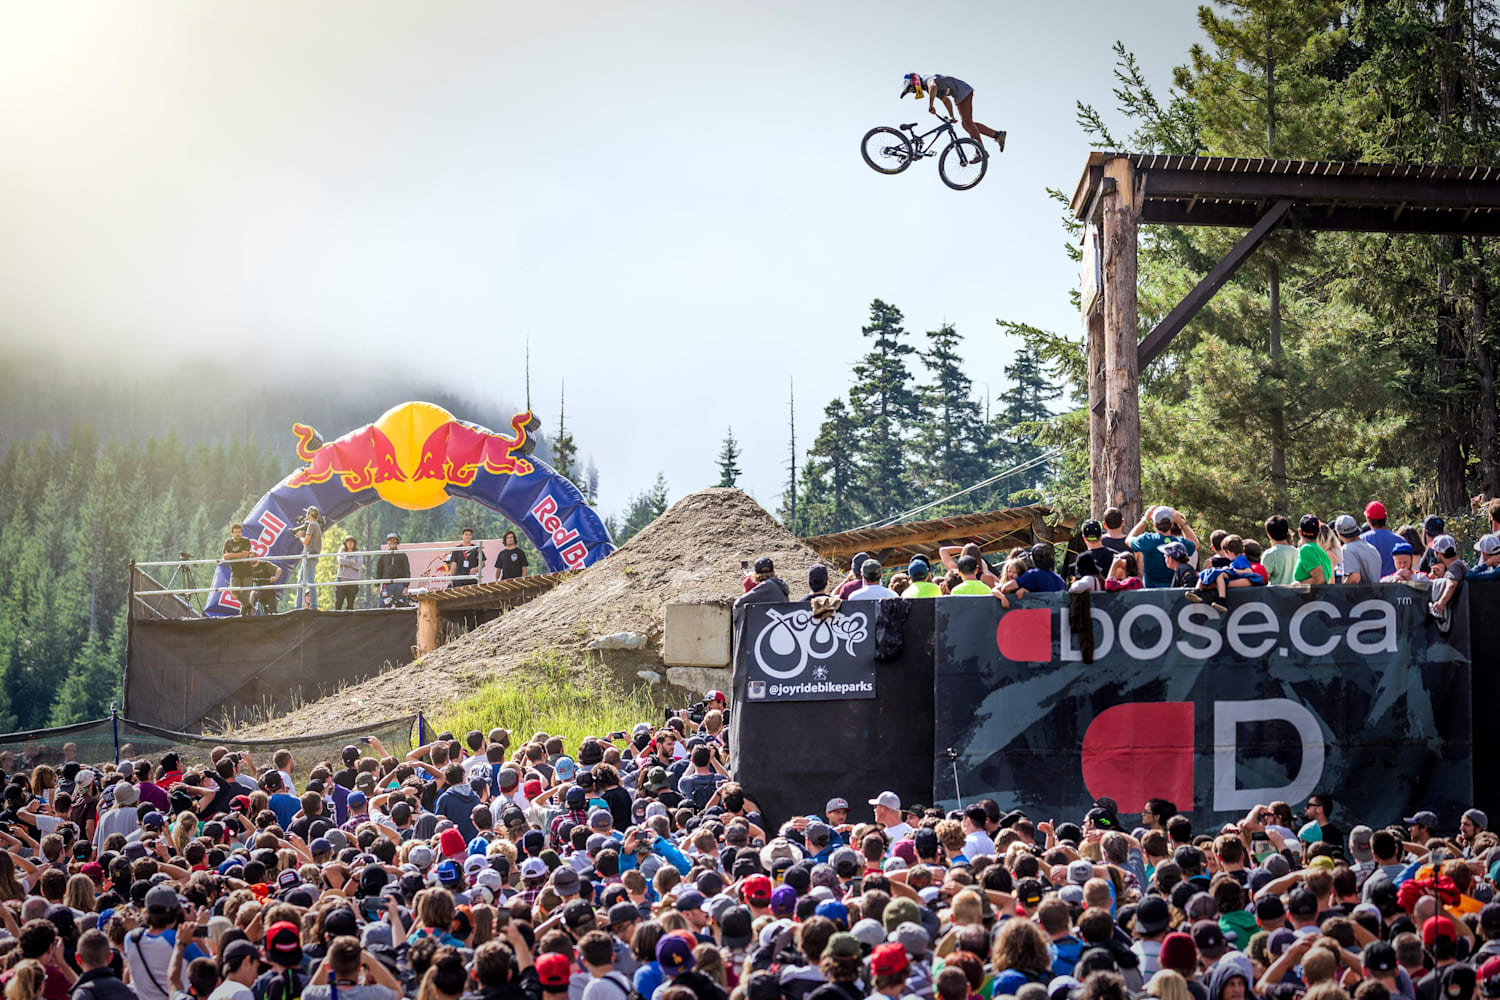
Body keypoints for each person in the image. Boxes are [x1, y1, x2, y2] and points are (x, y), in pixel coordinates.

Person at [900, 73, 1005, 153]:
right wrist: (951, 116)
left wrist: (931, 105)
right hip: (960, 94)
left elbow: (933, 87)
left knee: (967, 123)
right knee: (967, 123)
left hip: (962, 92)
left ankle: (980, 151)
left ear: (915, 82)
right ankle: (997, 135)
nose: (912, 92)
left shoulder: (927, 79)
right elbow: (946, 100)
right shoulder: (928, 90)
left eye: (910, 89)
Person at [1128, 507, 1200, 588]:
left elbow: (1128, 539)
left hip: (1150, 594)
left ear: (1154, 525)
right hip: (1174, 595)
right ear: (1172, 525)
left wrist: (1144, 520)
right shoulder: (1179, 543)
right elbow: (1195, 544)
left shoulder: (1147, 540)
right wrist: (1181, 522)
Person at [1426, 534, 1467, 632]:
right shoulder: (1461, 564)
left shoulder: (1455, 567)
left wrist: (1440, 603)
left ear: (1439, 554)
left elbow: (1451, 584)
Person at [1334, 515, 1382, 584]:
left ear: (1339, 534)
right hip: (1376, 594)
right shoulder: (1372, 548)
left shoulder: (1347, 549)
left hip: (1360, 594)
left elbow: (1354, 578)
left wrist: (1340, 590)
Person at [1361, 502, 1403, 578]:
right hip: (1396, 586)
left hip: (1370, 587)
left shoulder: (1362, 541)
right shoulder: (1400, 541)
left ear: (1368, 519)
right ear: (1385, 517)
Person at [221, 524, 256, 617]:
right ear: (232, 533)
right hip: (235, 571)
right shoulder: (228, 542)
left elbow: (244, 555)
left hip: (247, 571)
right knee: (234, 591)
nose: (238, 534)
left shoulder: (246, 541)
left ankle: (243, 613)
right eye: (235, 532)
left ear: (241, 532)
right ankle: (249, 606)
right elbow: (225, 556)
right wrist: (237, 555)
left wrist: (231, 555)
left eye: (239, 532)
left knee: (245, 593)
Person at [298, 507, 324, 610]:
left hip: (309, 556)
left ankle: (311, 605)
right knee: (302, 581)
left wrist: (300, 536)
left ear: (310, 514)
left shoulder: (312, 525)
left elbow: (306, 541)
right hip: (310, 556)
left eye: (307, 513)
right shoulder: (316, 525)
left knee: (308, 582)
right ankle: (301, 605)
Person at [1293, 515, 1332, 585]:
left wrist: (1299, 584)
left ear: (1299, 532)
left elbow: (1321, 579)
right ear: (1319, 532)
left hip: (1311, 595)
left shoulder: (1306, 549)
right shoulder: (1320, 551)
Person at [1261, 516, 1298, 586]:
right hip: (1295, 595)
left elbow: (1263, 580)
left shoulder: (1270, 554)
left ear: (1269, 535)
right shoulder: (1297, 552)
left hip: (1275, 595)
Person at [375, 534, 411, 607]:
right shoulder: (383, 555)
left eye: (394, 540)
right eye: (390, 540)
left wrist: (406, 587)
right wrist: (377, 585)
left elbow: (407, 571)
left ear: (397, 542)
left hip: (399, 584)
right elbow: (379, 571)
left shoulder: (402, 555)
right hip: (387, 585)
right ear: (388, 542)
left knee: (401, 606)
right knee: (382, 606)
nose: (392, 542)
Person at [335, 536, 362, 611]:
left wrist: (346, 562)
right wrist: (353, 562)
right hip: (341, 581)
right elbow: (340, 561)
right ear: (345, 543)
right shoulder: (341, 551)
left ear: (354, 543)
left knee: (350, 605)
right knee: (338, 603)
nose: (350, 543)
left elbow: (359, 565)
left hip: (353, 582)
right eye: (348, 541)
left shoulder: (358, 553)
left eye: (352, 542)